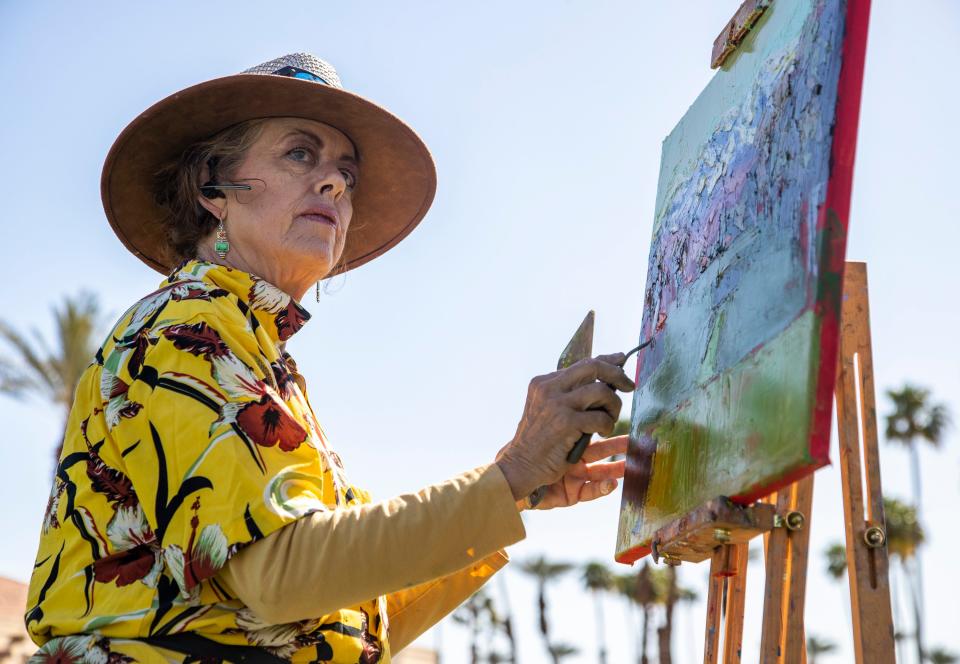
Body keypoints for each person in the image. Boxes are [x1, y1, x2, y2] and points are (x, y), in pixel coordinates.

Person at [25, 53, 634, 663]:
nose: (336, 184)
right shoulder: (189, 326)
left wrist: (518, 489)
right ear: (214, 187)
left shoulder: (252, 350)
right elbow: (279, 578)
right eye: (299, 153)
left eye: (346, 173)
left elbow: (346, 620)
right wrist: (515, 473)